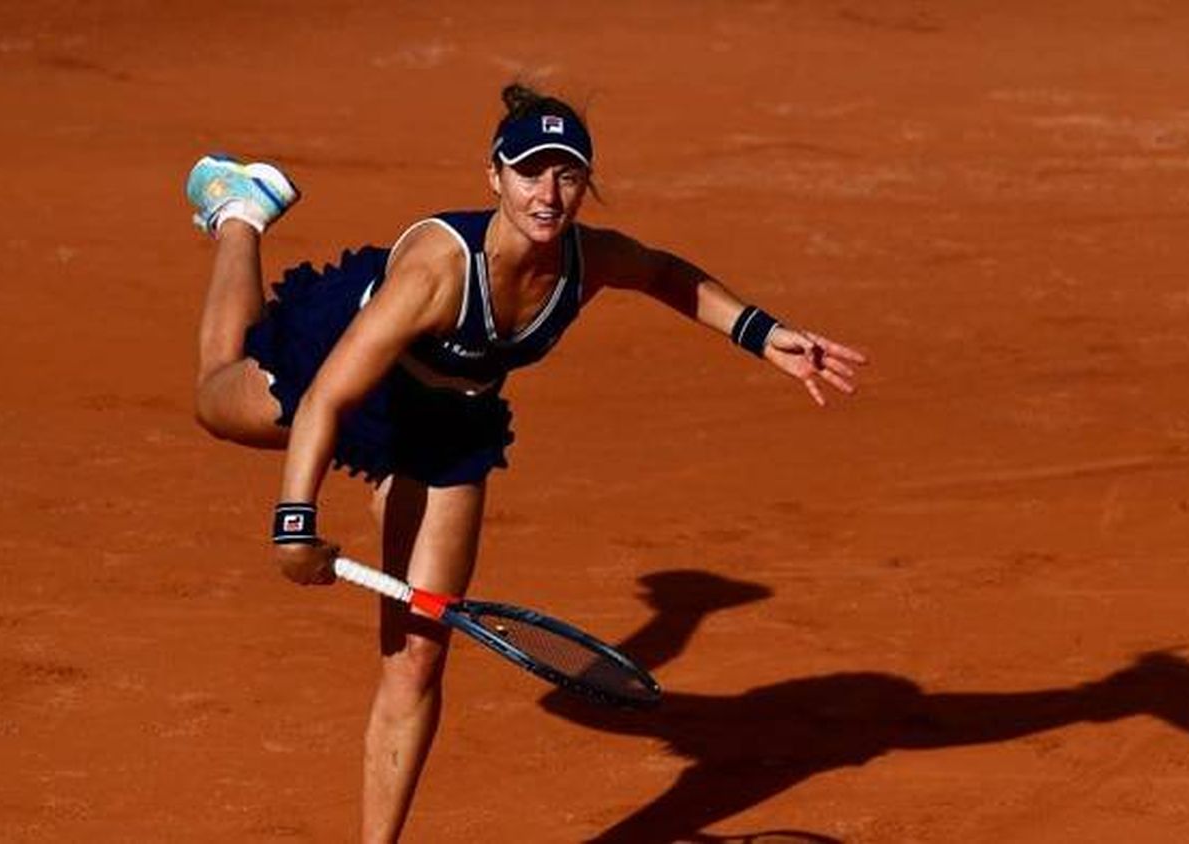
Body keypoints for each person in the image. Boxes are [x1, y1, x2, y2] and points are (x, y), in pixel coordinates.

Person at [186, 83, 867, 842]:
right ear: (495, 178)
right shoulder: (437, 274)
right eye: (528, 172)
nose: (548, 194)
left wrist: (763, 334)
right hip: (358, 378)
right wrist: (294, 521)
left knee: (416, 661)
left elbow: (667, 274)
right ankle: (239, 215)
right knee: (218, 397)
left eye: (567, 175)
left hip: (450, 427)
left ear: (585, 183)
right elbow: (327, 402)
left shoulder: (589, 261)